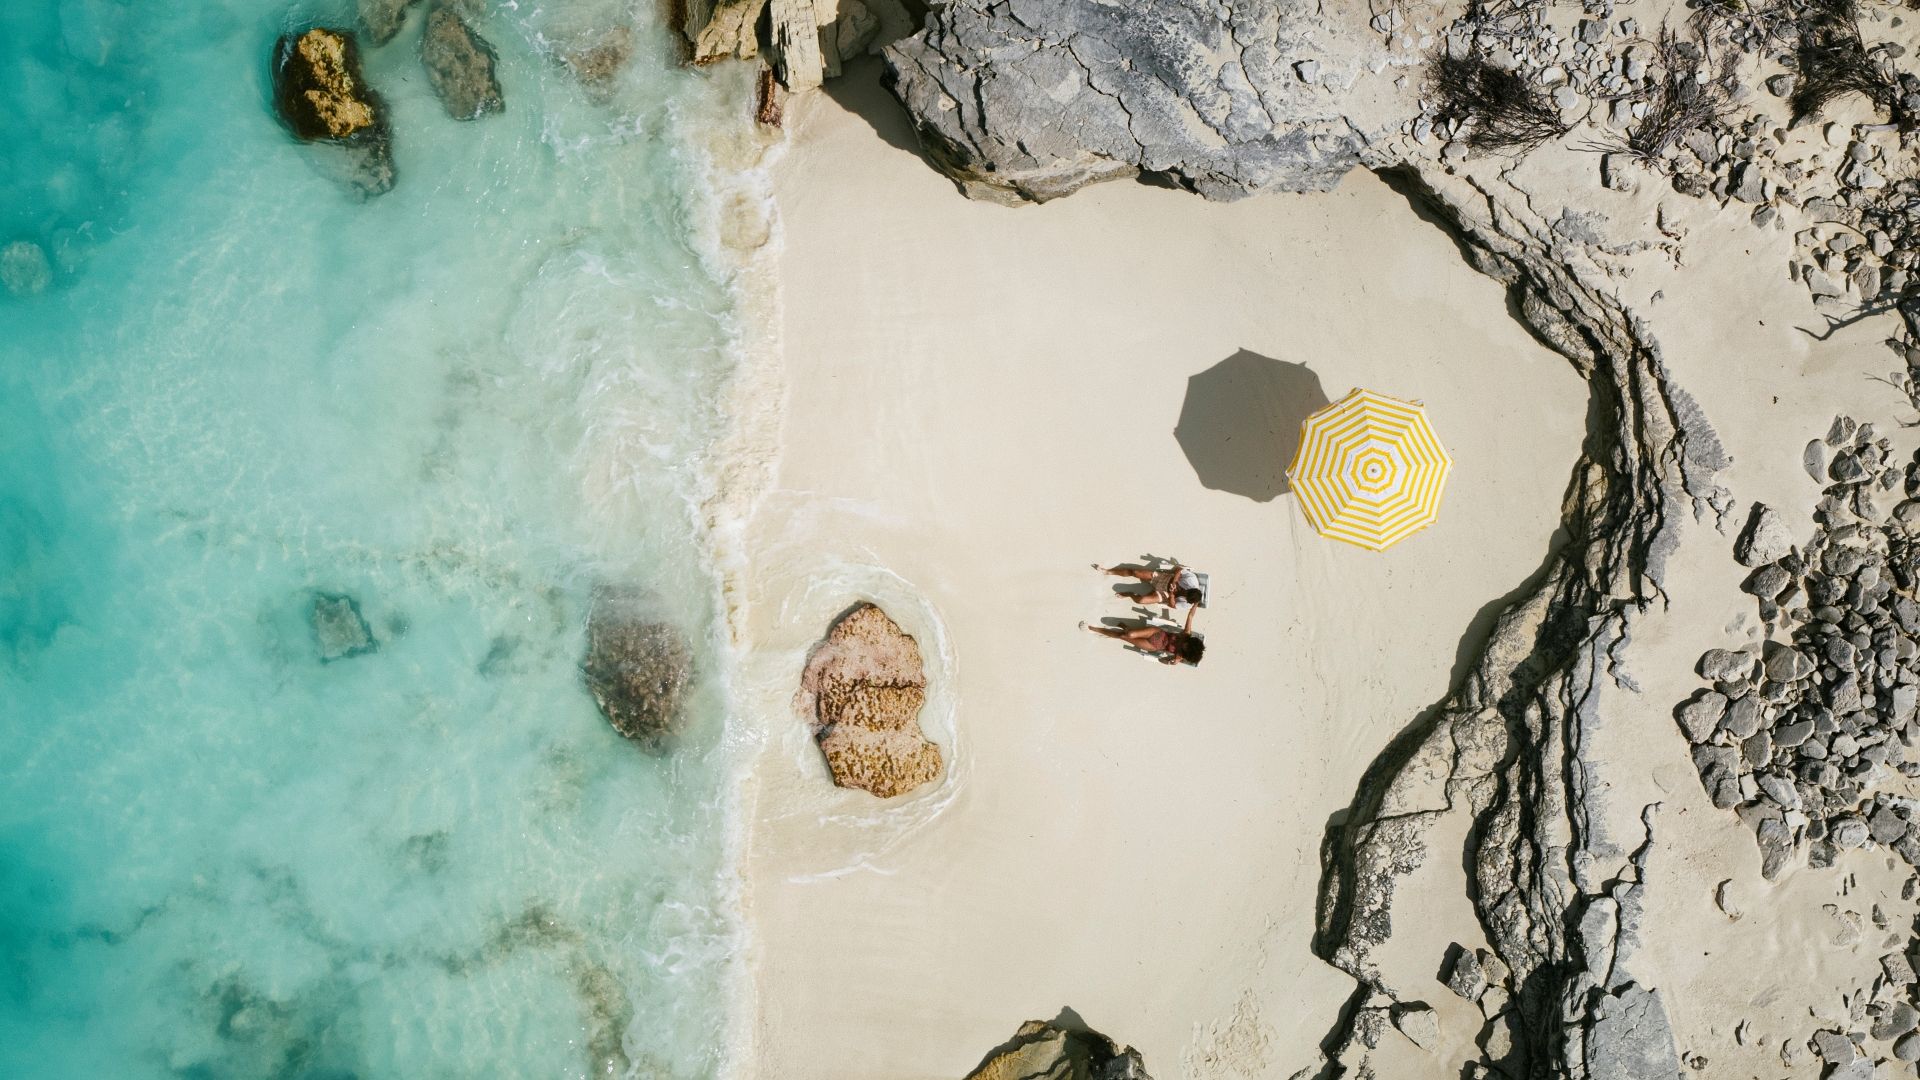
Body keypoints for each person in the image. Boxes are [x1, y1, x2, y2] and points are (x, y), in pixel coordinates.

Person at [1081, 605, 1205, 666]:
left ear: (1187, 653)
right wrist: (1196, 603)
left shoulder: (1179, 657)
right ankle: (1127, 628)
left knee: (1123, 636)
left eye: (1187, 648)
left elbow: (1160, 659)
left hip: (1152, 646)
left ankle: (1093, 629)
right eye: (1188, 644)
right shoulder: (1186, 635)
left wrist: (1169, 662)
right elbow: (1190, 616)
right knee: (1130, 633)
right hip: (1157, 633)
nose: (1185, 645)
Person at [1095, 561, 1203, 611]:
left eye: (1185, 596)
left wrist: (1171, 594)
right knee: (1136, 572)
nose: (1183, 594)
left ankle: (1129, 594)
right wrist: (1174, 582)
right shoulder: (1192, 580)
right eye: (1185, 592)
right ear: (1191, 589)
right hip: (1166, 579)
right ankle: (1109, 572)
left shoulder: (1188, 604)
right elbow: (1179, 570)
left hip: (1166, 595)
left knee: (1141, 600)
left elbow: (1172, 605)